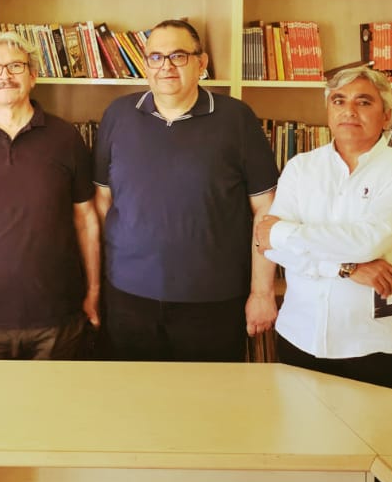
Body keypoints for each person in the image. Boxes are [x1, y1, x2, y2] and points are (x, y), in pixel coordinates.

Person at [93, 19, 279, 362]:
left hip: (214, 299)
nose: (166, 66)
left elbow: (266, 210)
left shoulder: (237, 119)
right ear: (145, 64)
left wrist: (262, 292)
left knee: (207, 395)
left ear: (201, 62)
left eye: (178, 56)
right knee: (131, 392)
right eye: (155, 57)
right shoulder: (117, 115)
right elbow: (102, 203)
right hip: (128, 296)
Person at [254, 65, 392, 389]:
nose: (349, 111)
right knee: (296, 424)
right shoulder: (300, 167)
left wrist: (282, 233)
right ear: (328, 110)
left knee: (371, 425)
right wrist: (347, 269)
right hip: (299, 334)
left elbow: (365, 242)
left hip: (371, 342)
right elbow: (274, 251)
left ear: (386, 115)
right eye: (338, 101)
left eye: (363, 102)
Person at [0, 32, 99, 360]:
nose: (5, 76)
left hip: (57, 315)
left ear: (33, 75)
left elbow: (86, 221)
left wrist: (94, 291)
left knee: (53, 394)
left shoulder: (66, 138)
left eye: (15, 66)